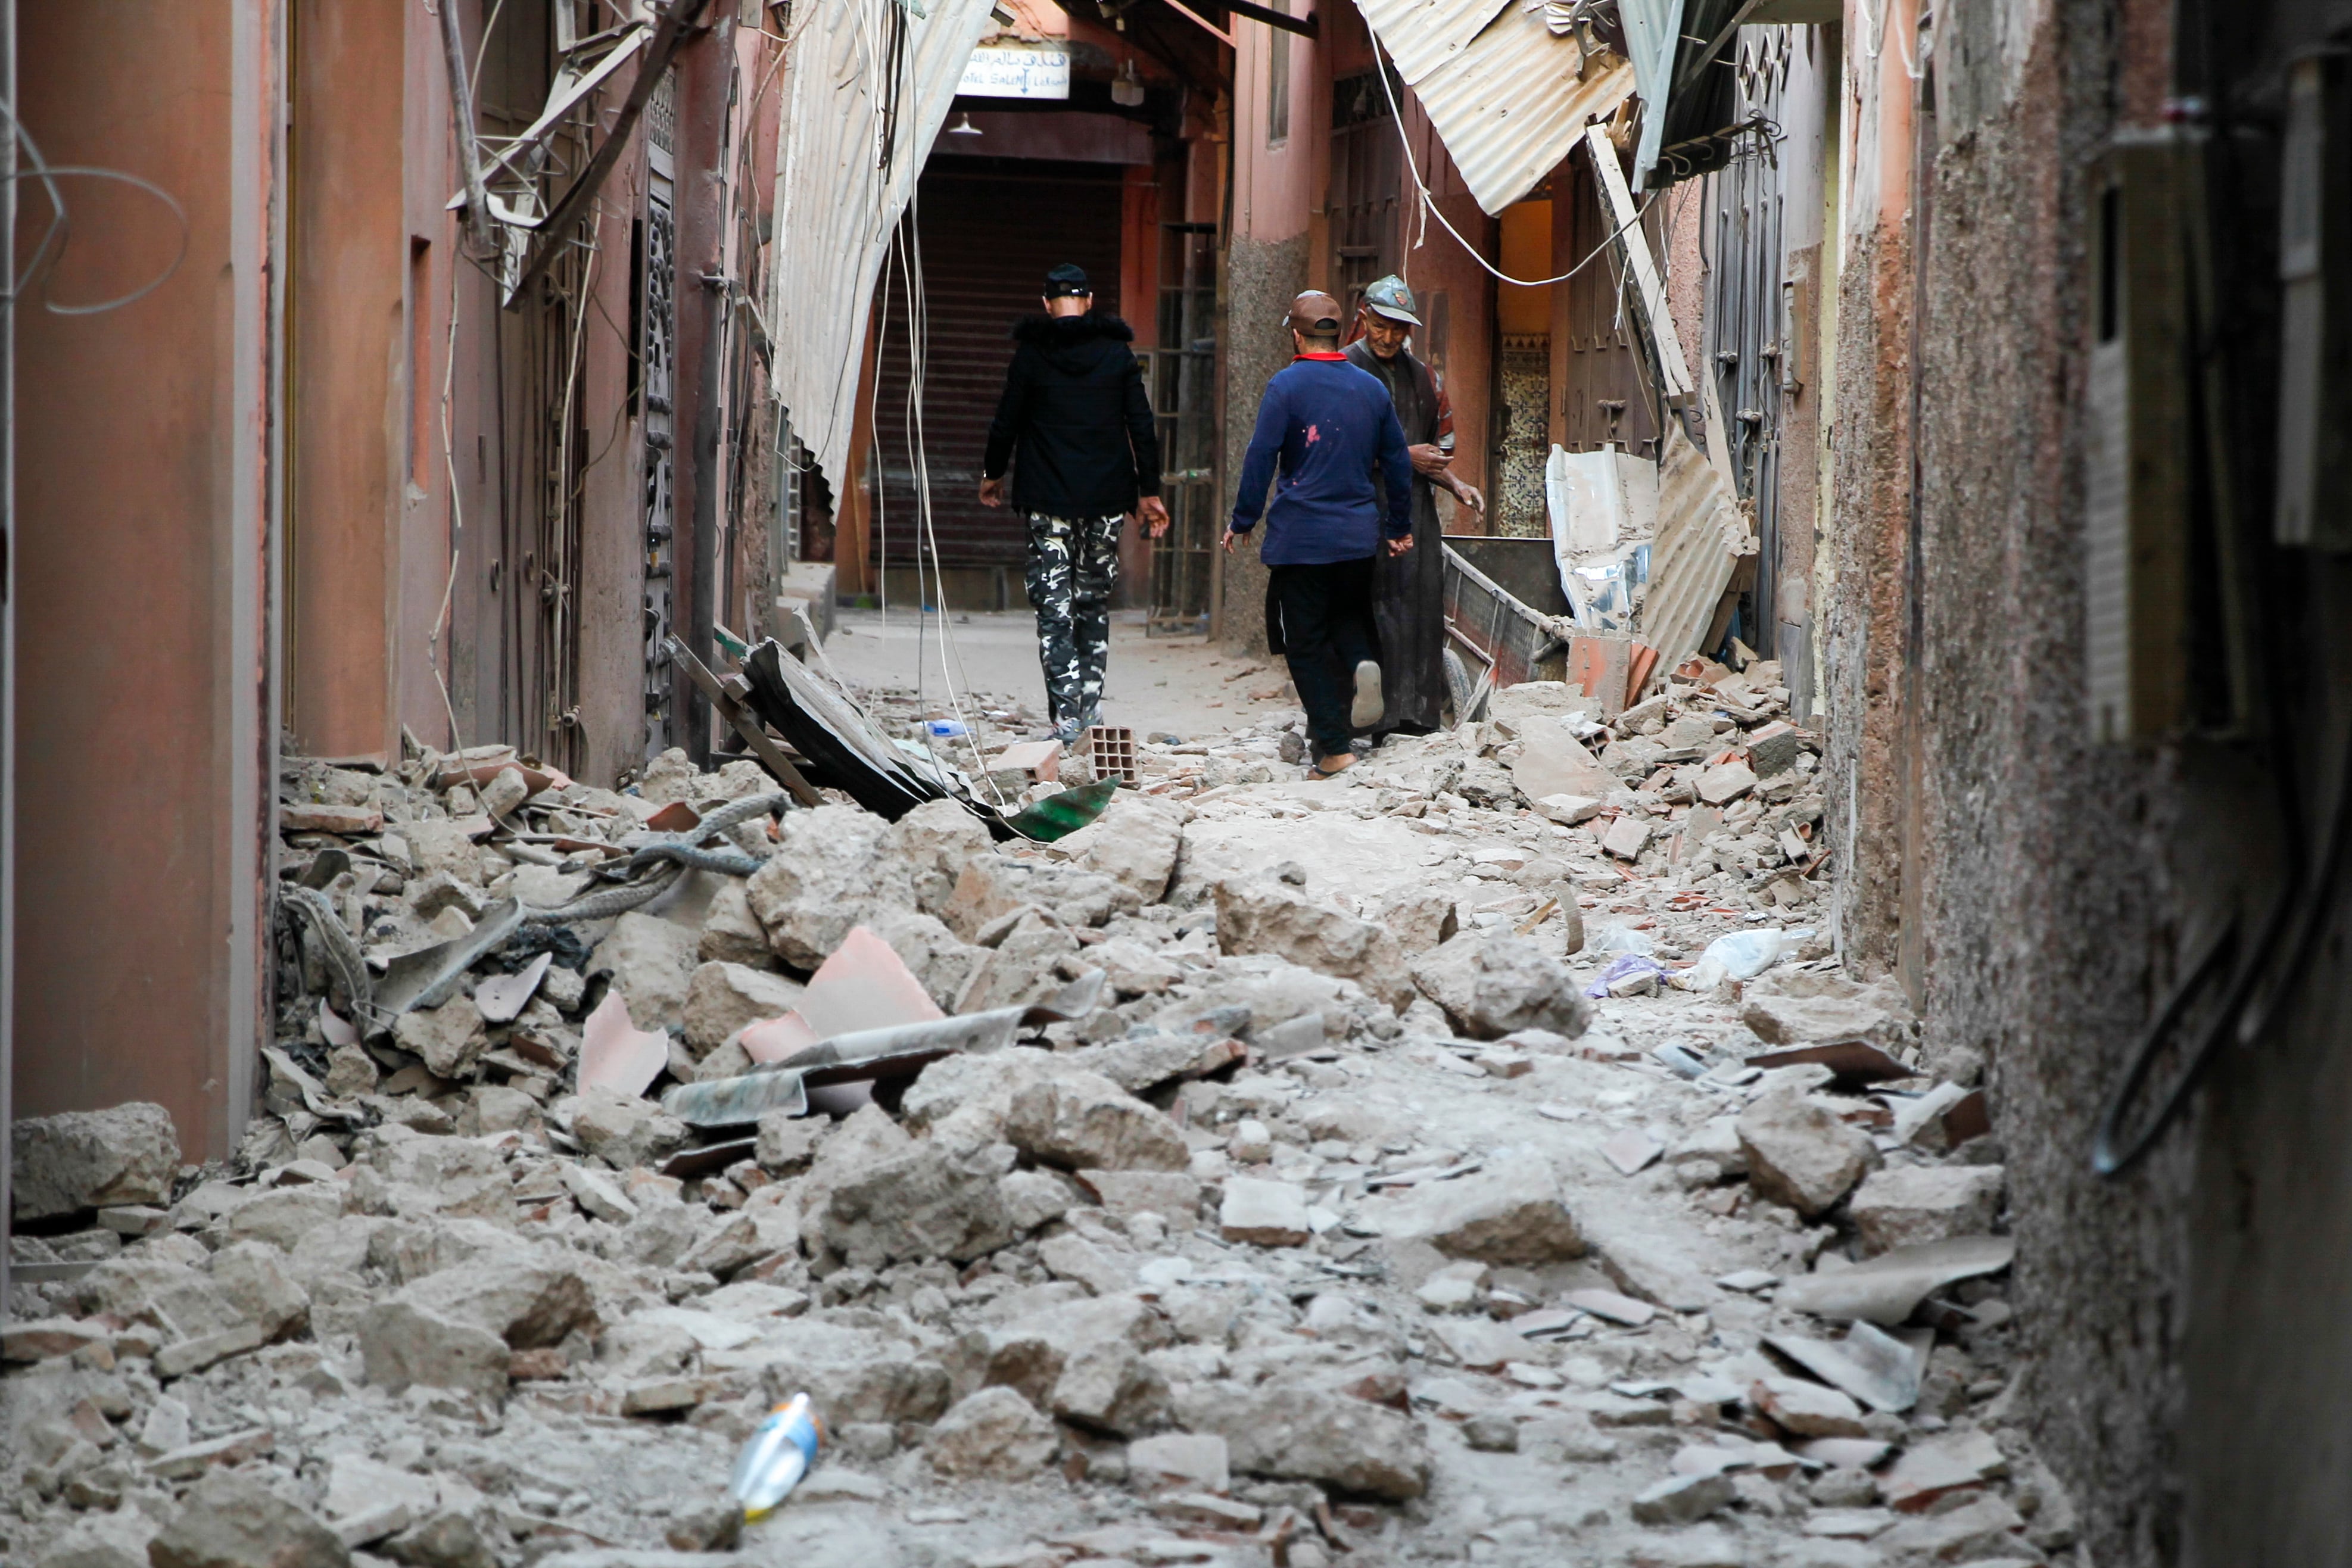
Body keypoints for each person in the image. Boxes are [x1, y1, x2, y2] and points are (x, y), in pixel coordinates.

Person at [1223, 290, 1415, 778]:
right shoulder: (1372, 389)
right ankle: (1360, 664)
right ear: (1339, 333)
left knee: (1304, 642)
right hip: (1356, 537)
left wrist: (1242, 520)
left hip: (1301, 540)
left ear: (1295, 333)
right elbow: (1396, 461)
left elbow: (1260, 457)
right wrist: (1397, 526)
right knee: (1347, 618)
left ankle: (1334, 748)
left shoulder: (1285, 387)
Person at [980, 262, 1170, 743]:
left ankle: (1066, 715)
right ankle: (1089, 708)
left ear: (1046, 305)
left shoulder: (1030, 356)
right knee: (1092, 601)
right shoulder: (1117, 356)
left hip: (1047, 500)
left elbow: (1006, 420)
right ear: (1087, 302)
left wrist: (993, 473)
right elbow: (1142, 428)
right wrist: (1149, 491)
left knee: (1053, 605)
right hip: (1106, 500)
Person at [1344, 275, 1484, 734]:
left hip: (1415, 515)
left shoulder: (1425, 377)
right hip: (1358, 510)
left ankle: (1415, 716)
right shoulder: (1341, 370)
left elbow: (1437, 451)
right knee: (1367, 608)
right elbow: (1334, 448)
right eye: (1381, 326)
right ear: (1364, 318)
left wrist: (1455, 483)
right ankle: (1366, 721)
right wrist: (1406, 455)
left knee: (1420, 610)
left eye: (1398, 329)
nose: (1388, 337)